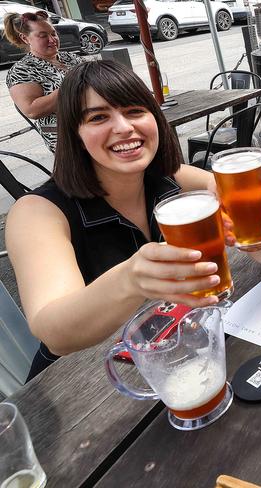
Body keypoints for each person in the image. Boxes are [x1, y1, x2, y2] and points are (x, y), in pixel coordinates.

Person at [6, 60, 221, 380]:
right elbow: (53, 330)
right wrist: (131, 279)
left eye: (135, 111)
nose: (123, 127)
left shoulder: (163, 175)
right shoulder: (37, 212)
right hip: (80, 385)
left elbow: (217, 186)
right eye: (98, 117)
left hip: (164, 356)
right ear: (75, 134)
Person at [4, 10, 84, 153]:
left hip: (97, 122)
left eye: (53, 33)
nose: (52, 39)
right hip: (68, 136)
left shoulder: (70, 58)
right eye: (43, 36)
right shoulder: (22, 70)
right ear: (25, 38)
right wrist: (74, 84)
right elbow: (32, 110)